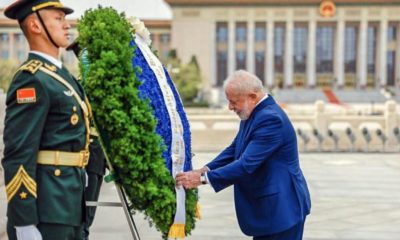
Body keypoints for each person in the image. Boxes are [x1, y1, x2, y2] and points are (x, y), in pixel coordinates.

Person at [176, 70, 311, 240]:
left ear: (252, 97)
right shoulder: (254, 113)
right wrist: (204, 169)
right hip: (270, 209)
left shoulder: (270, 119)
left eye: (233, 102)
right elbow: (234, 149)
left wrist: (202, 179)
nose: (230, 107)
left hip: (282, 209)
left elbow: (246, 164)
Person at [2, 1, 91, 239]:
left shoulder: (64, 78)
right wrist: (24, 222)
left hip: (70, 207)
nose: (67, 24)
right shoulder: (32, 80)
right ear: (35, 25)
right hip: (46, 211)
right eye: (58, 18)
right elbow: (18, 154)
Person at [66, 40, 107, 240]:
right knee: (82, 218)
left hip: (96, 158)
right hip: (87, 158)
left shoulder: (99, 87)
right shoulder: (79, 89)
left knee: (86, 217)